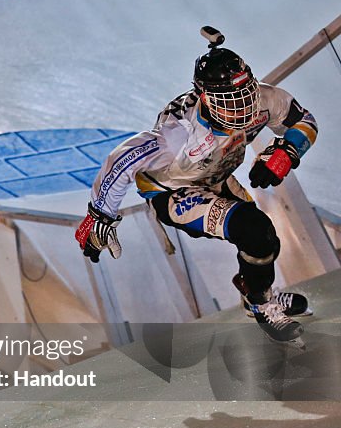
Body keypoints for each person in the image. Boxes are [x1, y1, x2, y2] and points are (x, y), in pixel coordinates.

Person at [75, 27, 316, 347]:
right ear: (205, 97)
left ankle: (256, 291)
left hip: (217, 177)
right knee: (256, 231)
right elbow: (122, 161)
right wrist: (100, 217)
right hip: (172, 191)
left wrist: (287, 150)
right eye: (231, 101)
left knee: (265, 241)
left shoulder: (264, 98)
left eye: (248, 94)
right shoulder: (177, 132)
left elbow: (305, 120)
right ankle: (261, 303)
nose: (244, 109)